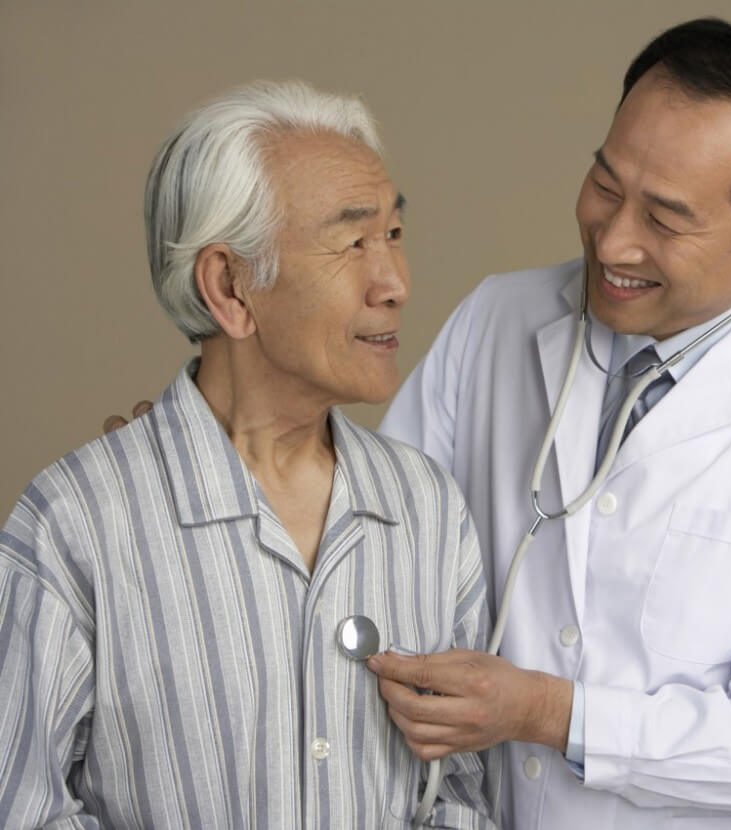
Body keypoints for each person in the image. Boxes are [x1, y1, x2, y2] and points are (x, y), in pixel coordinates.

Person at [368, 17, 731, 830]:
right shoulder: (498, 316)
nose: (613, 241)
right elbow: (378, 543)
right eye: (605, 185)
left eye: (666, 220)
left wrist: (546, 711)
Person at [0, 81, 497, 829]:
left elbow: (461, 793)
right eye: (352, 241)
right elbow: (22, 808)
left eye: (393, 233)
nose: (395, 283)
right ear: (230, 287)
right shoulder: (75, 524)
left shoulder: (427, 508)